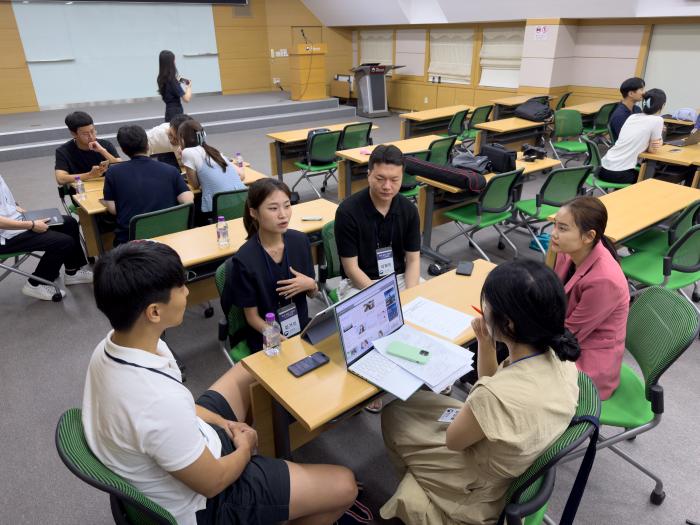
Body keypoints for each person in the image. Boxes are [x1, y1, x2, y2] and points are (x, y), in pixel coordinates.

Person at [83, 241, 357, 525]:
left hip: (190, 441)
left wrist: (225, 425)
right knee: (344, 486)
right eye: (180, 287)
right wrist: (246, 446)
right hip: (205, 500)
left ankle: (278, 486)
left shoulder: (113, 347)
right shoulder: (157, 402)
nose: (188, 291)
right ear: (154, 312)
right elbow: (213, 482)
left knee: (251, 368)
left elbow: (182, 410)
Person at [380, 259, 580, 525]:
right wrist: (485, 343)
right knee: (413, 406)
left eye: (487, 305)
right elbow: (495, 385)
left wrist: (477, 398)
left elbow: (454, 440)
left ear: (509, 324)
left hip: (476, 483)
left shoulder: (494, 395)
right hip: (510, 452)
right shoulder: (559, 359)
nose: (483, 309)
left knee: (393, 415)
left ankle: (433, 497)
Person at [223, 179, 317, 351]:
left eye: (287, 206)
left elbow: (312, 293)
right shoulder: (244, 259)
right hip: (267, 337)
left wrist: (310, 284)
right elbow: (251, 317)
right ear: (254, 212)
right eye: (273, 208)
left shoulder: (300, 241)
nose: (283, 214)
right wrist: (276, 336)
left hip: (301, 329)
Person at [550, 196, 629, 400]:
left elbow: (568, 336)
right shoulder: (568, 251)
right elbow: (551, 292)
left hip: (587, 363)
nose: (553, 234)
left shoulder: (604, 280)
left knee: (512, 359)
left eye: (562, 228)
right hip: (568, 337)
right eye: (554, 225)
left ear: (588, 236)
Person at [334, 144, 421, 301]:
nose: (387, 186)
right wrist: (385, 297)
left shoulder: (409, 210)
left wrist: (411, 295)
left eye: (394, 180)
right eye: (380, 179)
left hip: (399, 278)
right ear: (368, 175)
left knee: (425, 310)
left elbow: (413, 260)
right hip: (359, 283)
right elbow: (351, 269)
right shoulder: (347, 212)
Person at [0, 174, 92, 300]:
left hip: (15, 222)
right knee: (63, 242)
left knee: (68, 223)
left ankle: (72, 272)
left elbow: (5, 201)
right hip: (5, 238)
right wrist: (31, 225)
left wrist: (18, 209)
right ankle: (36, 284)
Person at [102, 125, 194, 246]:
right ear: (147, 145)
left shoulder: (113, 172)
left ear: (123, 150)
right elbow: (188, 201)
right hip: (171, 237)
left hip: (132, 242)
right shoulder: (170, 170)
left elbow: (113, 210)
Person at [179, 119, 246, 224]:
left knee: (190, 212)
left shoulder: (187, 152)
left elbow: (194, 185)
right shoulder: (214, 151)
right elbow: (241, 175)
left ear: (182, 139)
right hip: (240, 203)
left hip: (218, 209)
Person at [600, 88, 666, 184]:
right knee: (655, 179)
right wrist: (660, 142)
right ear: (663, 105)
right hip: (619, 173)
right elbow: (653, 150)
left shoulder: (632, 117)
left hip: (603, 168)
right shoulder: (658, 120)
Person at [54, 111, 121, 186]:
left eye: (92, 131)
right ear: (74, 134)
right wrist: (89, 175)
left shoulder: (105, 144)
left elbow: (120, 167)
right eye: (85, 134)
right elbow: (61, 178)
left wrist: (103, 151)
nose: (91, 136)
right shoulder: (63, 151)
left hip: (107, 187)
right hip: (82, 191)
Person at [157, 49, 192, 123]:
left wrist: (184, 81)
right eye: (173, 60)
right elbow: (186, 99)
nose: (175, 63)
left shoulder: (161, 77)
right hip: (176, 112)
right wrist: (189, 87)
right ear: (170, 63)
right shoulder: (172, 80)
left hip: (168, 111)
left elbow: (178, 78)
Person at [608, 77, 645, 142]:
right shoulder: (619, 115)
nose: (644, 93)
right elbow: (625, 138)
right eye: (641, 90)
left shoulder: (637, 109)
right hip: (625, 149)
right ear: (631, 94)